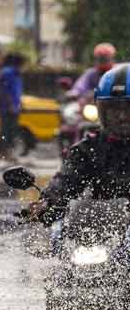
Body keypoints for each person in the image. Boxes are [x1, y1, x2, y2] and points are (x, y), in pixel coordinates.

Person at [26, 64, 130, 226]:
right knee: (59, 242)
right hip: (101, 231)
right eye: (113, 109)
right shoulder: (87, 149)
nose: (122, 117)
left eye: (128, 109)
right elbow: (66, 179)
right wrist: (47, 202)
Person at [0, 52, 25, 162]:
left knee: (12, 131)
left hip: (15, 107)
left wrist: (19, 104)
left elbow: (16, 91)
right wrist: (10, 105)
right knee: (6, 131)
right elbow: (4, 90)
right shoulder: (7, 73)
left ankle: (8, 154)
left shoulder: (17, 74)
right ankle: (4, 154)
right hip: (7, 108)